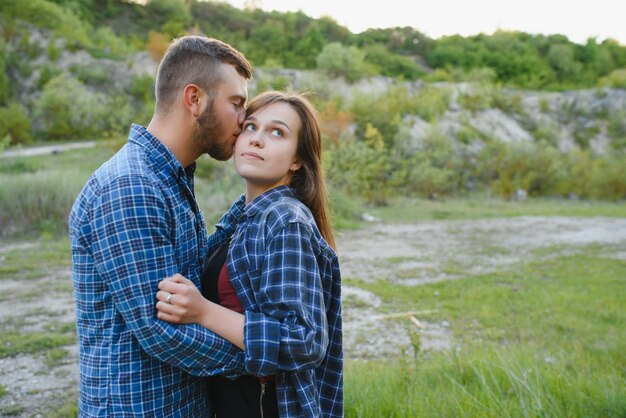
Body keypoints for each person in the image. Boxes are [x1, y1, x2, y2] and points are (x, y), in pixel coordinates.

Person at [68, 35, 253, 416]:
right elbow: (162, 332)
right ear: (194, 99)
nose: (244, 118)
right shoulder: (131, 186)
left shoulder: (169, 177)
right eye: (236, 103)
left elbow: (191, 273)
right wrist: (260, 359)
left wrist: (264, 191)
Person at [156, 90, 343, 417]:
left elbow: (305, 341)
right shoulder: (244, 216)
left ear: (297, 160)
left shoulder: (285, 222)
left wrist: (204, 313)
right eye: (251, 127)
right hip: (235, 397)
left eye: (277, 132)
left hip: (267, 403)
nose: (257, 139)